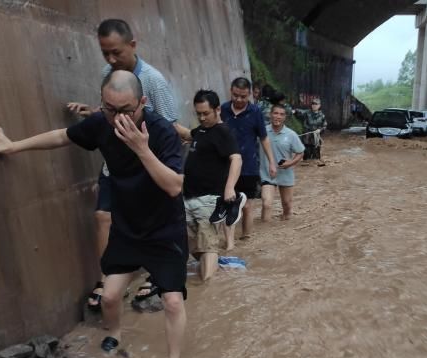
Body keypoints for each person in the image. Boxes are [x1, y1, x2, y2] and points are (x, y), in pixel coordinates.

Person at [0, 71, 187, 358]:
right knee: (110, 296)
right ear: (102, 102)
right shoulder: (100, 124)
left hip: (165, 229)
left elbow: (174, 186)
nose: (118, 118)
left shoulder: (162, 132)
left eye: (126, 110)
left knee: (172, 300)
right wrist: (12, 145)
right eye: (110, 109)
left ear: (142, 102)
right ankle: (115, 334)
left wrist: (141, 148)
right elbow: (61, 136)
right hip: (127, 227)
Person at [67, 18, 179, 311]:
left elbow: (170, 128)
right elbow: (107, 113)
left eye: (116, 52)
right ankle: (107, 279)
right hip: (114, 165)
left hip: (146, 167)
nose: (111, 59)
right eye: (105, 53)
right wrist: (93, 112)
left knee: (151, 223)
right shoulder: (108, 73)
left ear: (133, 45)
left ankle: (154, 274)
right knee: (103, 217)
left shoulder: (154, 81)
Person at [175, 90, 243, 281]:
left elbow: (237, 159)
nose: (202, 118)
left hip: (209, 200)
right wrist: (167, 123)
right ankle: (217, 271)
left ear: (217, 110)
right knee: (190, 243)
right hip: (189, 198)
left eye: (206, 113)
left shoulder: (223, 132)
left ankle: (209, 289)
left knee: (208, 246)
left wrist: (229, 188)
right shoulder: (202, 130)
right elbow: (189, 134)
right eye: (198, 114)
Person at [220, 77, 277, 249]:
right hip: (225, 165)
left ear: (250, 95)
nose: (239, 99)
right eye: (236, 95)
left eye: (243, 96)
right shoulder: (222, 109)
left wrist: (272, 162)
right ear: (231, 91)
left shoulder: (255, 112)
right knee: (226, 203)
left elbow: (264, 138)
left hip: (248, 166)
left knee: (247, 206)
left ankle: (245, 238)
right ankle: (229, 242)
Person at [260, 104, 305, 222]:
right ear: (270, 114)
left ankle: (285, 219)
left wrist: (290, 163)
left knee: (287, 206)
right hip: (267, 174)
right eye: (275, 113)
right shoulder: (262, 132)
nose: (278, 117)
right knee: (267, 204)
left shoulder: (291, 134)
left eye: (281, 114)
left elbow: (300, 152)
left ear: (285, 117)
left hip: (285, 173)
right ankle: (265, 231)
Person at [295, 98, 327, 163]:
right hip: (307, 138)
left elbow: (324, 126)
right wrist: (294, 111)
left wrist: (320, 130)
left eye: (316, 104)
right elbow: (299, 111)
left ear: (319, 105)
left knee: (316, 159)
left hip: (316, 139)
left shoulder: (322, 116)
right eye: (313, 103)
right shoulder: (306, 113)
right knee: (306, 158)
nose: (314, 105)